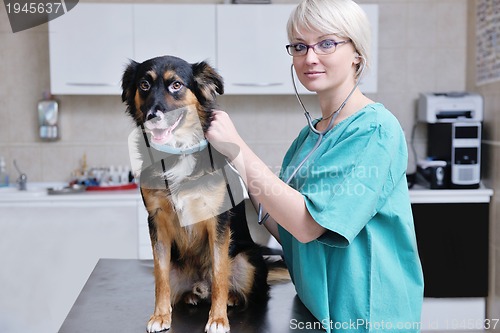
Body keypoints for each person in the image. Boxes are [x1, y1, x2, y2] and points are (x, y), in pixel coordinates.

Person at [206, 0, 424, 331]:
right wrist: (228, 166)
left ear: (357, 53)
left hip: (367, 315)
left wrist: (238, 150)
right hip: (316, 309)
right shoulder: (308, 137)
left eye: (326, 43)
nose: (309, 57)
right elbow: (286, 228)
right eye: (299, 46)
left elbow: (309, 225)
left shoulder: (374, 129)